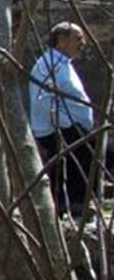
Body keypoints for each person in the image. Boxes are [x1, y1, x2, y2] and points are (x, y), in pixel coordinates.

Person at [29, 22, 94, 217]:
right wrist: (67, 124)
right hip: (59, 130)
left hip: (72, 128)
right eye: (77, 38)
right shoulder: (48, 65)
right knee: (67, 170)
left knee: (79, 167)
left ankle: (76, 208)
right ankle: (71, 210)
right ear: (62, 40)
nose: (82, 43)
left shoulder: (62, 64)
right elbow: (43, 100)